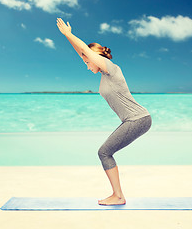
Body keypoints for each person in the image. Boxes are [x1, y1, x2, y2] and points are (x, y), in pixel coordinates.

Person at [56, 18, 152, 205]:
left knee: (104, 152)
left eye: (87, 61)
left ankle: (118, 196)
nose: (86, 65)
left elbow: (86, 52)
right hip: (132, 120)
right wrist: (67, 37)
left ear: (95, 58)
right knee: (105, 152)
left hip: (138, 119)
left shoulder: (112, 70)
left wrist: (69, 34)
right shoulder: (103, 74)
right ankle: (118, 195)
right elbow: (82, 52)